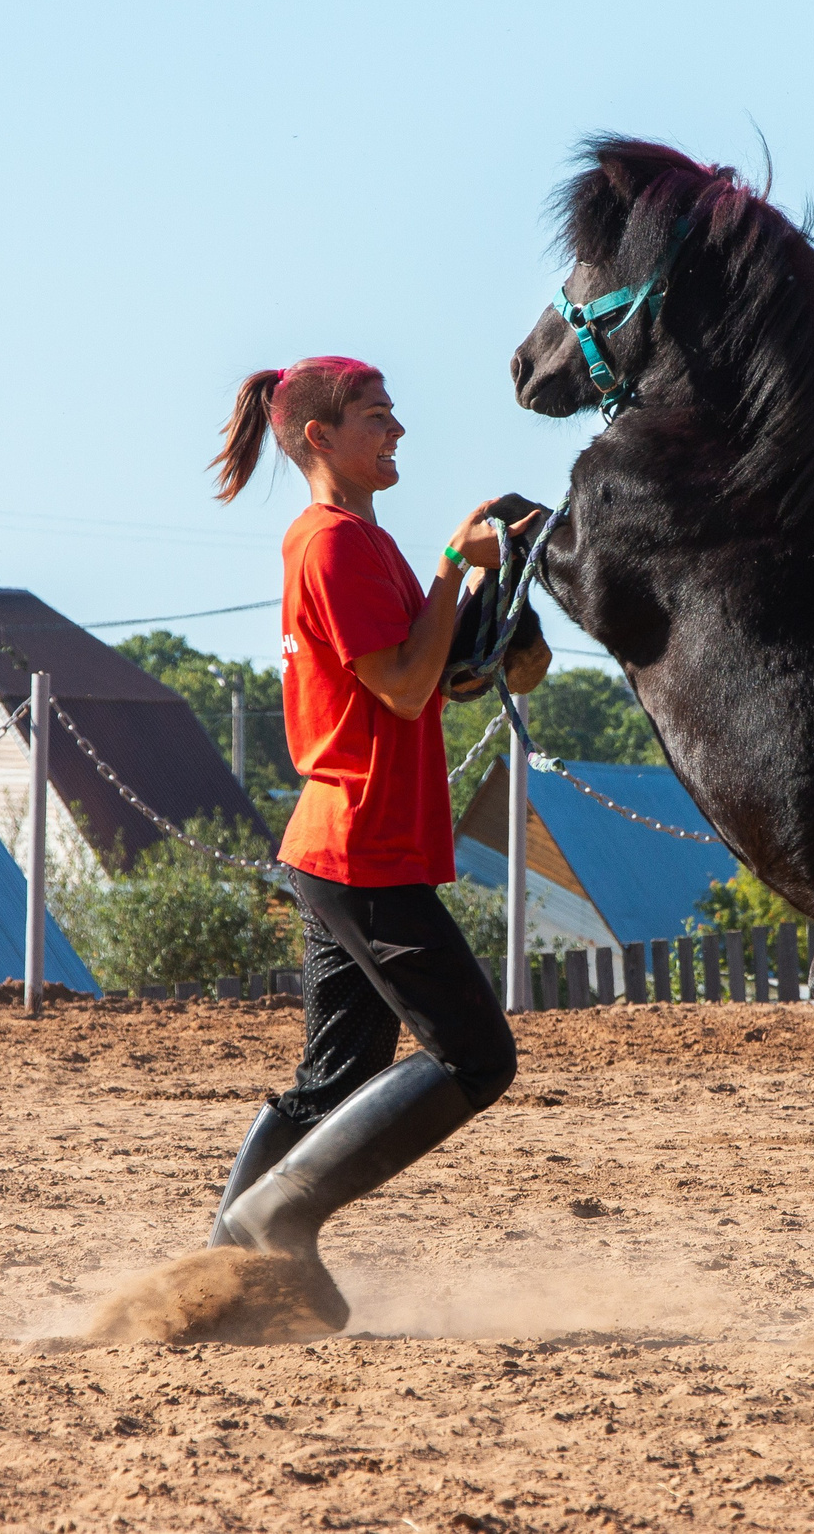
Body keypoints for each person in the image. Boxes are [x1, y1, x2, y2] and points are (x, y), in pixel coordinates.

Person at [202, 355, 547, 1289]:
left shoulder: (359, 540)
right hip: (361, 845)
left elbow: (428, 668)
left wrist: (484, 590)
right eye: (376, 417)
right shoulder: (336, 545)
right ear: (320, 436)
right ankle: (279, 1216)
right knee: (477, 1058)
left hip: (343, 838)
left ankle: (228, 1266)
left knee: (337, 1076)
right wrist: (450, 567)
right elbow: (399, 689)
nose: (396, 432)